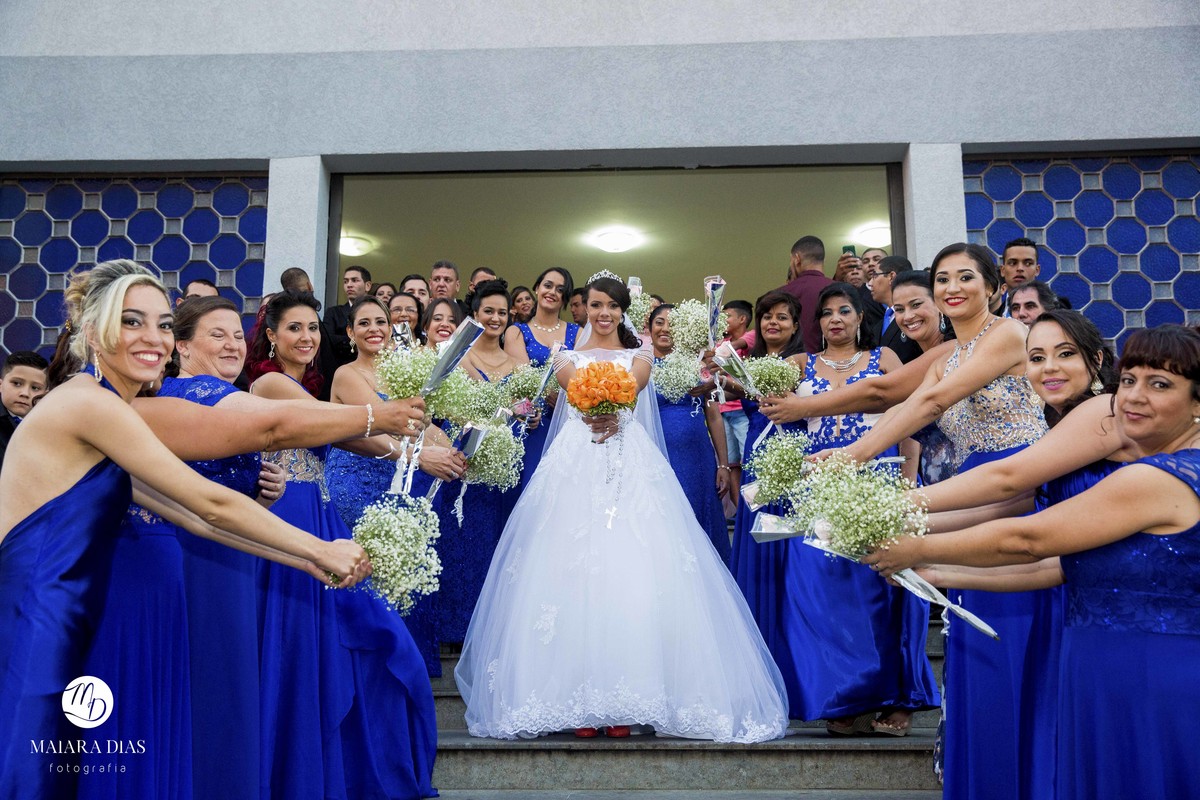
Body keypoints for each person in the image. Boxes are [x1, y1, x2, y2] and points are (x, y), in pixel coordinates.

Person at [0, 262, 372, 798]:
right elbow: (210, 500)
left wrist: (305, 561)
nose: (152, 338)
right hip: (41, 618)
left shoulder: (112, 408)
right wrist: (321, 546)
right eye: (132, 322)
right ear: (92, 331)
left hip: (75, 614)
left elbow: (190, 516)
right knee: (33, 773)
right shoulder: (86, 404)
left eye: (162, 324)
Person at [865, 324, 1200, 800]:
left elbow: (1027, 535)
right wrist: (937, 572)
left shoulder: (1154, 476)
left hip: (1154, 671)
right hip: (1099, 657)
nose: (1134, 397)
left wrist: (910, 538)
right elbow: (1069, 563)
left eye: (1160, 384)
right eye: (1132, 381)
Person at [455, 274, 788, 742]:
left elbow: (632, 389)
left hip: (629, 460)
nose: (604, 313)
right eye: (595, 305)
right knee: (569, 568)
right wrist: (596, 409)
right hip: (576, 461)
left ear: (622, 310)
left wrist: (611, 407)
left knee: (631, 566)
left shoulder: (642, 357)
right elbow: (574, 390)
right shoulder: (564, 357)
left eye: (612, 305)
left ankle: (627, 698)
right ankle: (575, 701)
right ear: (584, 308)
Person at [813, 243, 1048, 800]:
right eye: (943, 278)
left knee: (1009, 651)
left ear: (995, 287)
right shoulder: (948, 354)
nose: (952, 287)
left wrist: (857, 454)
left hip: (1018, 487)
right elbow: (899, 405)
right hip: (970, 488)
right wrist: (834, 456)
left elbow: (929, 404)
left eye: (966, 277)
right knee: (966, 642)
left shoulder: (1009, 336)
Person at [247, 290, 439, 799]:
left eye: (313, 328)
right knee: (310, 644)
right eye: (294, 328)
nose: (306, 337)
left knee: (364, 637)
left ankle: (349, 766)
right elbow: (342, 429)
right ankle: (300, 769)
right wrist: (410, 446)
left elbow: (345, 431)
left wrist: (424, 439)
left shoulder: (302, 385)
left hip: (320, 511)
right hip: (292, 517)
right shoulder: (269, 382)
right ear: (271, 336)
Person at [776, 283, 938, 734]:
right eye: (826, 312)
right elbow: (767, 407)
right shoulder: (796, 365)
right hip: (819, 488)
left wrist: (908, 481)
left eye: (844, 310)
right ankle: (840, 698)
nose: (835, 319)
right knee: (820, 590)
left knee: (885, 589)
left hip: (878, 482)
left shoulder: (883, 361)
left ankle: (897, 698)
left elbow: (910, 419)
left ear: (860, 317)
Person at [727, 291, 807, 653]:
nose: (773, 323)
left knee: (787, 536)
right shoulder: (750, 362)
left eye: (782, 317)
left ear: (795, 326)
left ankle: (790, 633)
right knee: (757, 536)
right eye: (767, 317)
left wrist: (735, 379)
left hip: (789, 452)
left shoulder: (804, 363)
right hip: (756, 453)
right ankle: (757, 636)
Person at [648, 303, 731, 563]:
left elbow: (714, 414)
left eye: (672, 323)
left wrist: (724, 464)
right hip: (658, 454)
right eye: (659, 322)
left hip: (697, 456)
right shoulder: (640, 365)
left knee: (699, 516)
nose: (665, 328)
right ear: (649, 329)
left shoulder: (699, 364)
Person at [503, 267, 580, 494]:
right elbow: (520, 380)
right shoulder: (516, 332)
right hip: (532, 423)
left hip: (569, 425)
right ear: (537, 288)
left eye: (560, 289)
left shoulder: (579, 332)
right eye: (548, 285)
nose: (552, 292)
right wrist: (544, 398)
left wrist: (567, 400)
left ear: (565, 298)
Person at [716, 299, 753, 506]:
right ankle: (740, 512)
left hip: (742, 411)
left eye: (727, 316)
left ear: (742, 319)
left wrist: (721, 356)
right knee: (731, 464)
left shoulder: (752, 337)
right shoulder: (723, 343)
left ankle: (751, 508)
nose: (724, 321)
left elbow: (730, 351)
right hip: (723, 412)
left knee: (748, 461)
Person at [779, 235, 833, 352]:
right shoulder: (841, 290)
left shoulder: (780, 294)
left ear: (797, 259)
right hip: (833, 364)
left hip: (790, 364)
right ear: (823, 260)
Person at [867, 255, 925, 364]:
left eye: (874, 276)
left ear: (891, 277)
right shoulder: (879, 324)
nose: (870, 283)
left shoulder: (917, 318)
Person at [0, 351, 49, 472]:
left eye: (35, 388)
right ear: (1, 385)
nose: (25, 393)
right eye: (16, 383)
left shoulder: (50, 426)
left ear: (46, 393)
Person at [324, 265, 372, 366]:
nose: (349, 285)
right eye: (346, 281)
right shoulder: (333, 312)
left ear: (367, 285)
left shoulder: (377, 312)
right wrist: (363, 339)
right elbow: (327, 339)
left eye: (354, 280)